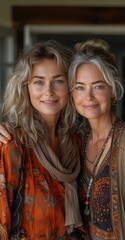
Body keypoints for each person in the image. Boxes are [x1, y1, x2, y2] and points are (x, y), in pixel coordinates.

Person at [0, 40, 85, 239]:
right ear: (25, 88)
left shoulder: (78, 141)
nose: (49, 91)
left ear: (70, 86)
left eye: (58, 81)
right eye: (38, 82)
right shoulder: (12, 145)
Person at [68, 38, 125, 240]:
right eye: (80, 87)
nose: (88, 97)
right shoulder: (76, 140)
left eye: (97, 86)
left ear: (112, 89)